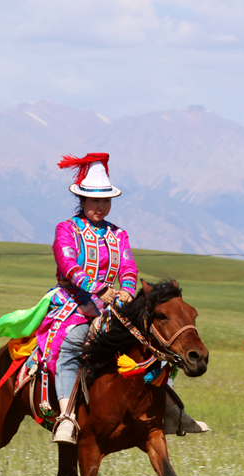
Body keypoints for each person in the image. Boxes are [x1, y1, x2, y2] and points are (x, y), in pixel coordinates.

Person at [39, 153, 207, 444]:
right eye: (95, 201)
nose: (101, 207)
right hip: (72, 304)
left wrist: (127, 289)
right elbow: (68, 264)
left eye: (105, 201)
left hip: (112, 307)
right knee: (72, 346)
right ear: (82, 200)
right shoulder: (67, 229)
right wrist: (97, 288)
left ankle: (171, 410)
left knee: (151, 345)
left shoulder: (119, 235)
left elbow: (128, 266)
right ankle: (66, 416)